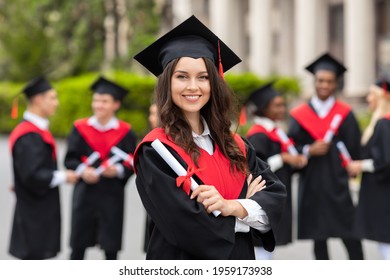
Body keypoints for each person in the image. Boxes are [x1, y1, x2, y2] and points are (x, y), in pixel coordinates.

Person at [133, 15, 286, 260]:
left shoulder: (237, 146)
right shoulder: (156, 150)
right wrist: (246, 211)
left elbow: (275, 198)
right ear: (167, 83)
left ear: (213, 83)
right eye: (182, 76)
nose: (193, 86)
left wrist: (231, 207)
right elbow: (186, 227)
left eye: (203, 77)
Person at [288, 53, 364, 260]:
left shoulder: (345, 114)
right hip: (312, 185)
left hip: (338, 186)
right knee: (318, 241)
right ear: (315, 81)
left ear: (335, 84)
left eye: (329, 81)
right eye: (321, 81)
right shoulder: (300, 115)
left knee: (351, 238)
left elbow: (356, 150)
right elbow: (290, 147)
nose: (324, 85)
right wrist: (308, 150)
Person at [64, 76, 137, 260]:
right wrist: (83, 170)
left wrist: (118, 171)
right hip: (84, 194)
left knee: (111, 249)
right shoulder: (80, 128)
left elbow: (132, 163)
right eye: (96, 100)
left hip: (111, 196)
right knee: (78, 248)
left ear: (116, 104)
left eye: (104, 101)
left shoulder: (126, 132)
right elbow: (70, 159)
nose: (98, 105)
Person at [8, 76, 78, 259]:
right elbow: (32, 175)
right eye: (52, 98)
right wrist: (63, 176)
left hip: (38, 210)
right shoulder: (29, 135)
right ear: (38, 100)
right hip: (34, 214)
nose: (57, 103)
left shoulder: (36, 131)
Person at [243, 82, 307, 259]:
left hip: (274, 195)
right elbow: (255, 168)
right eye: (277, 105)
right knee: (261, 249)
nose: (282, 109)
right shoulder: (258, 135)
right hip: (263, 196)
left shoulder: (276, 132)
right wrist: (284, 158)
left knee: (268, 248)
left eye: (283, 104)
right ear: (264, 108)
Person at [346, 77, 390, 259]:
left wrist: (360, 165)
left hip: (384, 195)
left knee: (386, 247)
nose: (368, 98)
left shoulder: (384, 123)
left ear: (383, 96)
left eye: (372, 94)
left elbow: (385, 160)